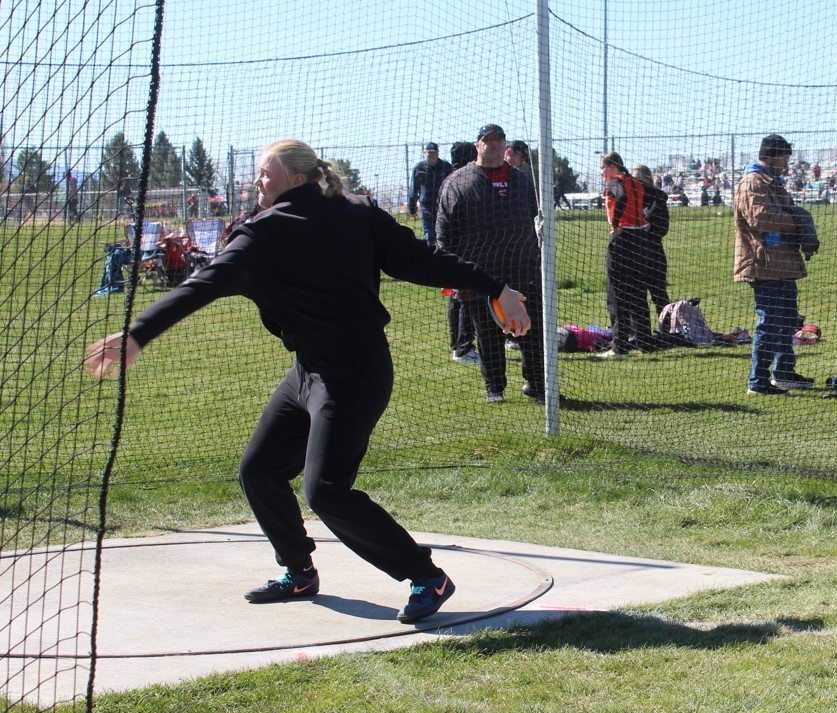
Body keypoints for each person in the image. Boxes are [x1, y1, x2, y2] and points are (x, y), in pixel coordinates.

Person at [84, 139, 530, 622]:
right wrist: (138, 334)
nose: (257, 181)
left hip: (352, 373)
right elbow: (205, 283)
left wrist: (496, 287)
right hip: (310, 371)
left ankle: (426, 576)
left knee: (327, 490)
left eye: (264, 173)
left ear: (296, 179)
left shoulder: (313, 223)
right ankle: (298, 572)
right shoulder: (295, 225)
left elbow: (422, 260)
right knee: (260, 469)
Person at [436, 123, 546, 403]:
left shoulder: (521, 181)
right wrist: (450, 272)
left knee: (532, 333)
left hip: (523, 270)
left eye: (499, 140)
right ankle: (494, 388)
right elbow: (444, 232)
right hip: (479, 273)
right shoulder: (458, 182)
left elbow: (538, 219)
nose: (494, 145)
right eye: (488, 140)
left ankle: (537, 385)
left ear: (505, 145)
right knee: (488, 336)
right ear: (478, 145)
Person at [734, 134, 814, 395]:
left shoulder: (773, 183)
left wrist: (799, 220)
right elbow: (759, 217)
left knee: (788, 319)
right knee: (769, 322)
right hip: (764, 261)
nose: (787, 164)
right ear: (769, 156)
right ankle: (757, 382)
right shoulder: (753, 182)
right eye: (784, 158)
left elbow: (786, 210)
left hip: (782, 261)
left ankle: (784, 373)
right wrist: (797, 222)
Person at [598, 152, 653, 358]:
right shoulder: (637, 183)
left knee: (617, 293)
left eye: (603, 168)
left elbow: (621, 195)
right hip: (640, 239)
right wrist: (645, 221)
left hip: (622, 239)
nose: (602, 172)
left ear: (612, 166)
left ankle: (618, 346)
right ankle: (644, 341)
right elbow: (659, 197)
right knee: (638, 292)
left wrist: (615, 223)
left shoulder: (615, 181)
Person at [444, 142, 480, 363]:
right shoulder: (461, 180)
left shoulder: (450, 179)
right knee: (466, 298)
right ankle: (463, 347)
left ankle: (459, 345)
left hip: (452, 250)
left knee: (457, 300)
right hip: (463, 250)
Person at [632, 165, 670, 317]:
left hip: (654, 253)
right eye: (633, 180)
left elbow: (663, 228)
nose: (637, 183)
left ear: (648, 179)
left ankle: (668, 329)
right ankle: (640, 332)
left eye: (639, 179)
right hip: (635, 253)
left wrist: (649, 227)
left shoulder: (658, 200)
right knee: (636, 296)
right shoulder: (632, 199)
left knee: (659, 294)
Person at [408, 142, 452, 245]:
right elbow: (413, 189)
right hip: (426, 208)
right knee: (430, 236)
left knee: (444, 234)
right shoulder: (419, 168)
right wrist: (412, 207)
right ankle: (432, 257)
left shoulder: (446, 167)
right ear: (425, 153)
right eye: (429, 153)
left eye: (433, 153)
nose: (431, 155)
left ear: (437, 153)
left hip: (443, 207)